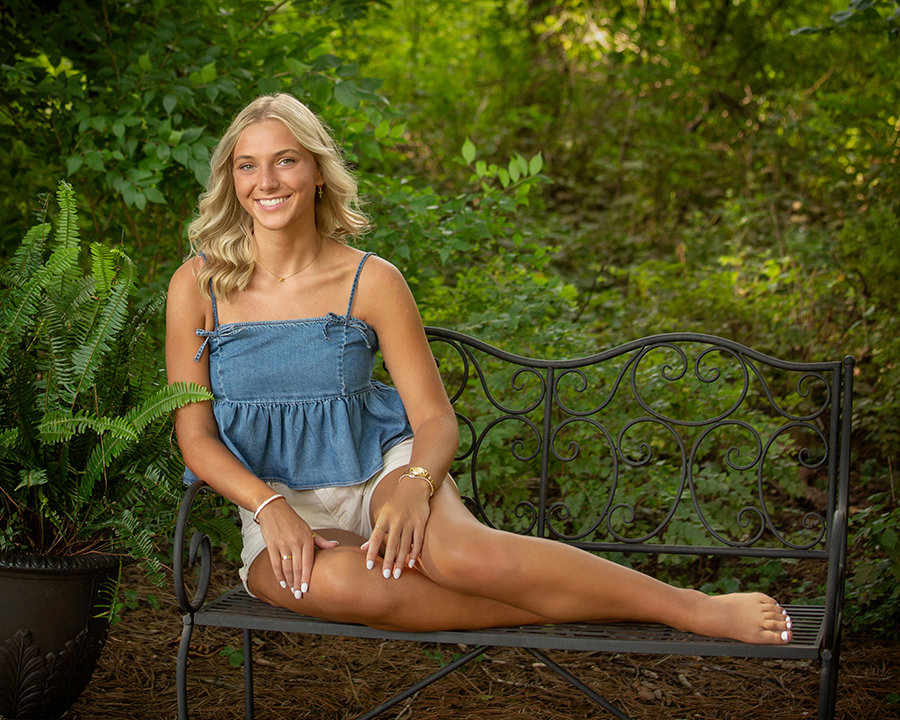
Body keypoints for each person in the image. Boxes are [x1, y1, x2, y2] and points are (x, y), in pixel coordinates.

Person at [166, 93, 792, 644]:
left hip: (378, 474)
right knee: (352, 591)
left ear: (319, 174)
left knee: (460, 554)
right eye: (248, 165)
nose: (267, 180)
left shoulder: (371, 280)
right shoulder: (199, 286)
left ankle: (690, 608)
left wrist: (414, 484)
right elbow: (194, 438)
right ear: (232, 180)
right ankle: (559, 610)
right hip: (271, 500)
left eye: (286, 160)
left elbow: (435, 419)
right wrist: (270, 506)